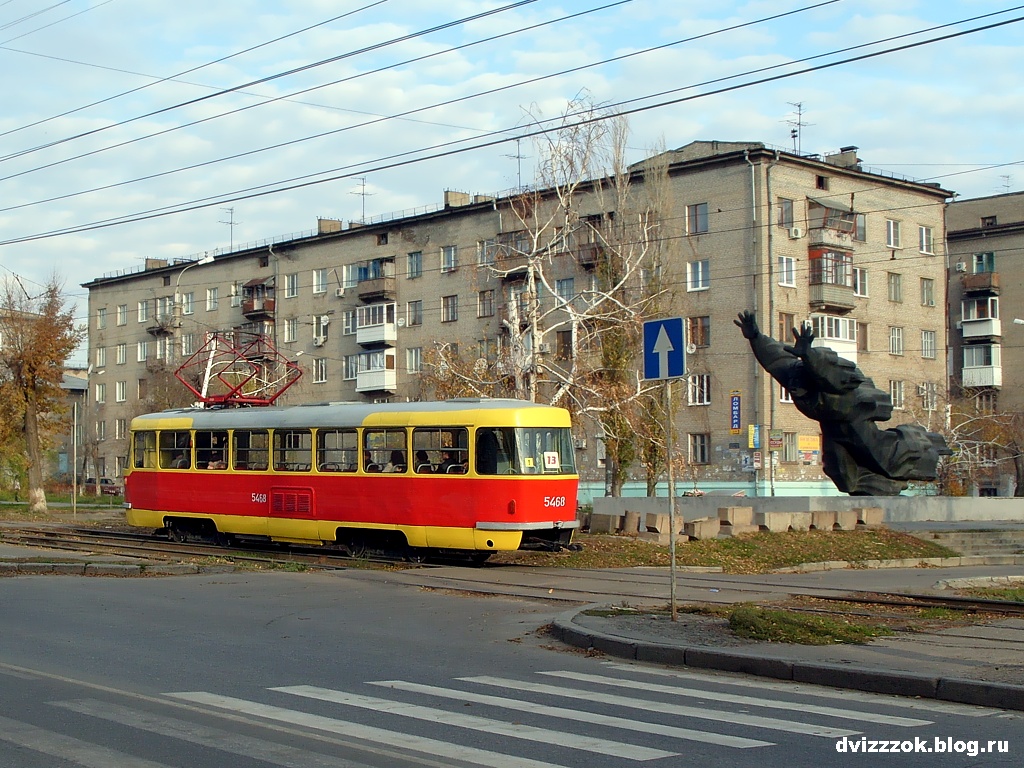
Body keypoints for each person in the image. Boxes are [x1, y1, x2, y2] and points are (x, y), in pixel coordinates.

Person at [735, 310, 949, 495]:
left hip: (856, 425)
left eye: (800, 386)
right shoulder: (793, 375)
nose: (795, 391)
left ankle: (924, 444)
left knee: (886, 462)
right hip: (834, 430)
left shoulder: (829, 382)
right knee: (842, 474)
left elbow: (828, 373)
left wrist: (809, 355)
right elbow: (775, 358)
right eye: (793, 387)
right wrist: (755, 337)